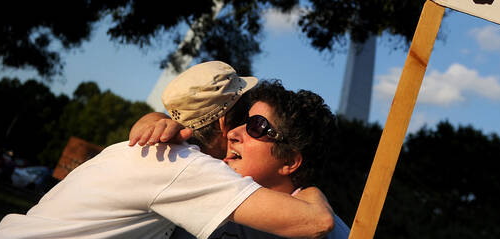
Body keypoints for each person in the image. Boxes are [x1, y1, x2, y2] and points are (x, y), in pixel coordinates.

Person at [0, 61, 334, 239]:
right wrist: (309, 188)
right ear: (221, 125)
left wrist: (156, 117)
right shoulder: (187, 167)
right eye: (243, 118)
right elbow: (317, 221)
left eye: (256, 125)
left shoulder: (153, 154)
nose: (237, 133)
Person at [131, 80, 351, 239]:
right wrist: (154, 120)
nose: (232, 133)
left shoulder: (333, 234)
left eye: (256, 127)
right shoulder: (203, 179)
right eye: (241, 122)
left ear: (289, 162)